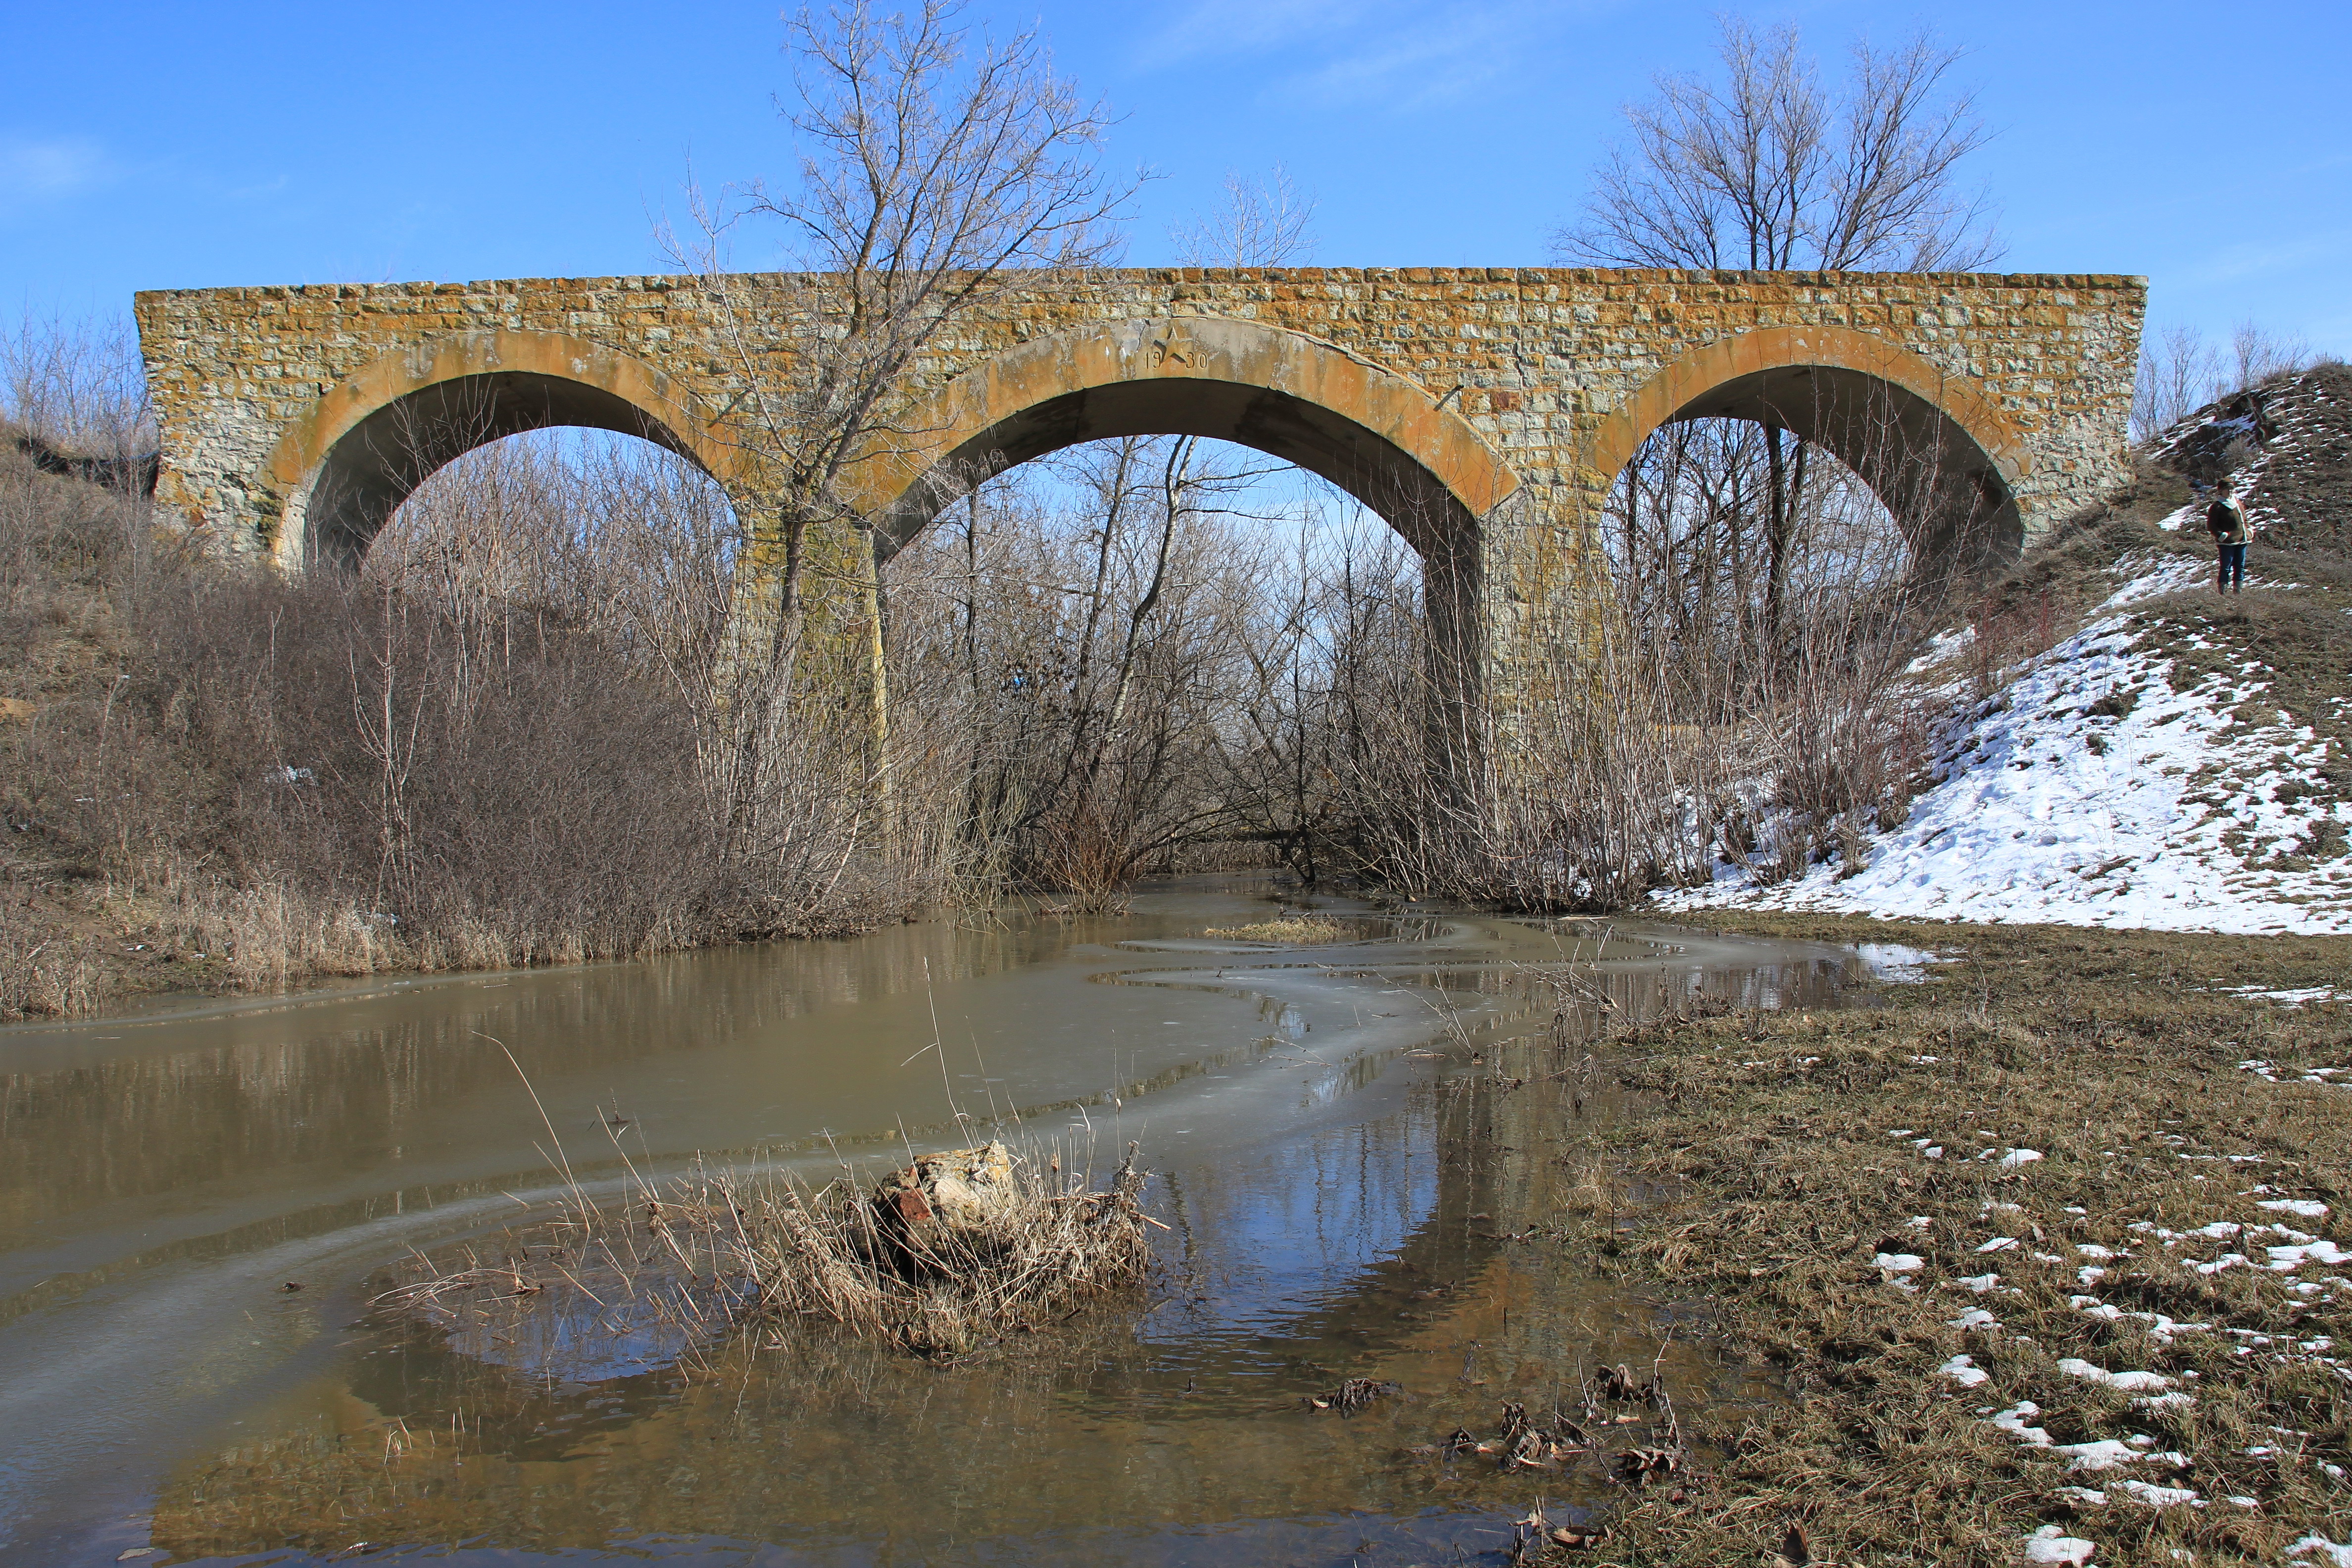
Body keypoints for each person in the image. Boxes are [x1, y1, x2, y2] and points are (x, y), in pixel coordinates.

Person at [2207, 476, 2251, 593]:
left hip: (2242, 540)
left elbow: (2244, 520)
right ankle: (2223, 592)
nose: (2230, 491)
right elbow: (2211, 526)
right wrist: (2221, 535)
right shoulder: (2217, 507)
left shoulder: (2238, 504)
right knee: (2226, 567)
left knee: (2240, 567)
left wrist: (2249, 530)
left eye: (2232, 489)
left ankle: (2238, 592)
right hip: (2227, 543)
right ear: (2221, 491)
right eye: (2227, 489)